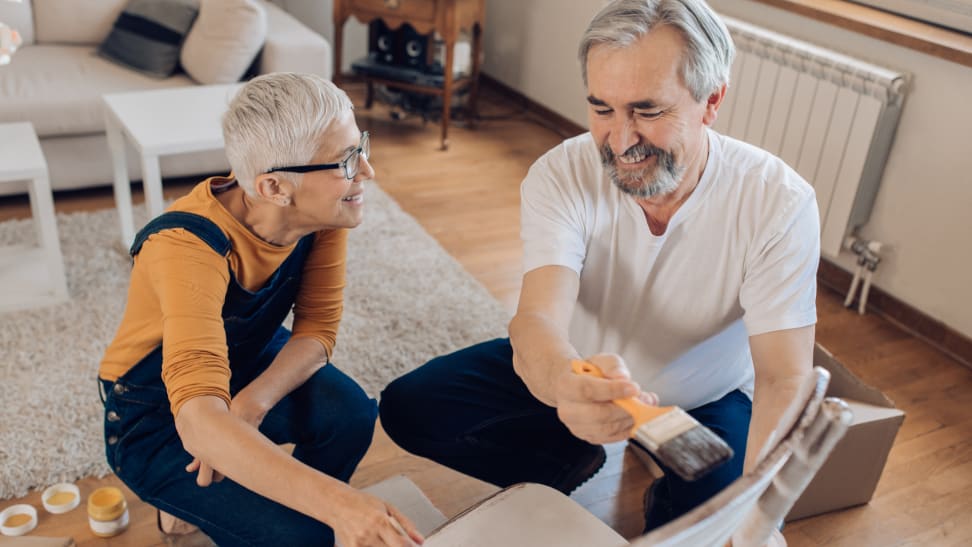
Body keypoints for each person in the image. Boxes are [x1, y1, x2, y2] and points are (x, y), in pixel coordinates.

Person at [378, 0, 817, 541]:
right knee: (409, 407)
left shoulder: (778, 202)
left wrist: (758, 512)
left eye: (648, 111)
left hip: (705, 397)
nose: (621, 140)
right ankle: (568, 457)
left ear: (711, 101)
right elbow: (537, 317)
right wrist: (564, 384)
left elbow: (783, 374)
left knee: (707, 523)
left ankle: (670, 497)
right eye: (602, 108)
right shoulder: (561, 173)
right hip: (580, 368)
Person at [98, 73, 423, 547]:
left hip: (242, 363)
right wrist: (339, 506)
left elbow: (318, 327)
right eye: (345, 161)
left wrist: (251, 405)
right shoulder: (185, 246)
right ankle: (200, 507)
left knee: (350, 416)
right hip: (154, 412)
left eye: (361, 147)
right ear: (273, 187)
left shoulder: (324, 211)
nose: (367, 171)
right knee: (303, 534)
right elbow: (196, 415)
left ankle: (279, 507)